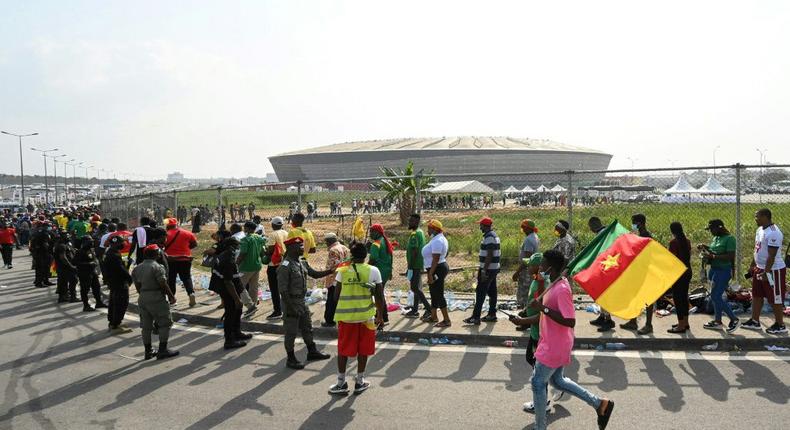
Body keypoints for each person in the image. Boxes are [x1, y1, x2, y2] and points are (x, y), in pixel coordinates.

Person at [528, 250, 614, 430]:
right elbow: (548, 310)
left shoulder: (561, 289)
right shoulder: (555, 282)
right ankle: (600, 404)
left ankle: (540, 427)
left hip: (554, 346)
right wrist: (525, 318)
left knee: (537, 382)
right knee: (558, 381)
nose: (540, 267)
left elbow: (570, 320)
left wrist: (542, 308)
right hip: (552, 342)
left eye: (543, 264)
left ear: (550, 267)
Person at [328, 242, 387, 395]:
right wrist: (380, 316)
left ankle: (341, 383)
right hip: (366, 318)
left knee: (343, 350)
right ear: (366, 255)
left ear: (352, 256)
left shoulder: (343, 271)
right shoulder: (374, 271)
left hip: (346, 318)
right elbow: (380, 296)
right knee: (363, 349)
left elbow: (336, 296)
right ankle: (360, 381)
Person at [277, 236, 332, 369]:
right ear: (290, 248)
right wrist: (291, 307)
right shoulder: (285, 266)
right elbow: (283, 291)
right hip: (291, 302)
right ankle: (290, 359)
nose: (302, 248)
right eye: (299, 246)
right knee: (291, 332)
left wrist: (331, 271)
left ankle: (312, 351)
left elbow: (314, 274)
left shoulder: (302, 262)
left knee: (307, 327)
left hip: (302, 301)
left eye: (302, 245)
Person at [508, 253, 554, 412]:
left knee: (538, 371)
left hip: (540, 334)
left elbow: (542, 314)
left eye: (530, 265)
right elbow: (533, 305)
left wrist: (522, 321)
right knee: (531, 359)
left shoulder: (543, 285)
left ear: (539, 267)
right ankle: (557, 383)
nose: (527, 267)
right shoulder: (536, 281)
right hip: (535, 333)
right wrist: (524, 312)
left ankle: (543, 403)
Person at [742, 209, 787, 334]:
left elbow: (771, 256)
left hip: (773, 271)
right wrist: (752, 265)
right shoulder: (760, 229)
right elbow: (757, 249)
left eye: (758, 217)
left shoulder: (774, 233)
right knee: (757, 295)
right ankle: (755, 321)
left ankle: (780, 324)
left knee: (775, 298)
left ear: (766, 216)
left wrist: (767, 274)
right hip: (760, 268)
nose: (755, 219)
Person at [132, 244, 179, 360]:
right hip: (156, 297)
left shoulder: (137, 268)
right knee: (165, 323)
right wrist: (171, 297)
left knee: (146, 326)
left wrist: (143, 294)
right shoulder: (158, 267)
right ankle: (163, 350)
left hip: (143, 297)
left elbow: (137, 285)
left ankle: (148, 351)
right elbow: (163, 283)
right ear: (156, 255)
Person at [698, 219, 740, 333]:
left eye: (712, 229)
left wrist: (713, 257)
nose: (711, 231)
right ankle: (717, 321)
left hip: (723, 271)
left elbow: (730, 256)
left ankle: (734, 319)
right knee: (716, 296)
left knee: (715, 297)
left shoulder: (729, 239)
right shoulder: (716, 238)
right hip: (714, 270)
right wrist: (705, 248)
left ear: (719, 227)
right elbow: (714, 251)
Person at [213, 233, 253, 349]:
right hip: (227, 289)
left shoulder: (226, 255)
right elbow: (228, 282)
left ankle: (237, 333)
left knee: (237, 311)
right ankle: (229, 340)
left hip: (228, 287)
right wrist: (236, 299)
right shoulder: (228, 259)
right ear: (231, 247)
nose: (238, 249)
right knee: (231, 313)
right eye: (237, 247)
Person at [620, 214, 654, 334]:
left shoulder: (645, 236)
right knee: (633, 295)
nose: (633, 224)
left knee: (648, 298)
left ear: (640, 223)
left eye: (634, 222)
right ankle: (633, 321)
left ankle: (648, 325)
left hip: (644, 271)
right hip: (638, 270)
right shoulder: (640, 235)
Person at [464, 217, 501, 325]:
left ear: (485, 226)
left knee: (480, 292)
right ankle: (492, 314)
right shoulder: (493, 235)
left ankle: (476, 317)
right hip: (493, 268)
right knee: (492, 291)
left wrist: (484, 270)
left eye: (481, 225)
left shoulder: (489, 237)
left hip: (488, 269)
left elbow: (489, 255)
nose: (480, 227)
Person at [586, 217, 616, 332]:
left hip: (606, 268)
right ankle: (603, 316)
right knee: (601, 293)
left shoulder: (602, 234)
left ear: (594, 225)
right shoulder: (603, 232)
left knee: (604, 294)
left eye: (590, 227)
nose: (590, 229)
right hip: (604, 267)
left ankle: (608, 320)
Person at [163, 218, 199, 307]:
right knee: (186, 278)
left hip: (171, 260)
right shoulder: (187, 233)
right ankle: (191, 293)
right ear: (177, 224)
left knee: (171, 279)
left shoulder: (166, 235)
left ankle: (172, 299)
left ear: (167, 226)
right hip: (185, 259)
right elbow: (194, 244)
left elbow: (162, 245)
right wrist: (185, 250)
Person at [422, 219, 451, 327]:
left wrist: (431, 274)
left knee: (438, 293)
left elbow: (436, 258)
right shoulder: (437, 239)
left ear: (434, 229)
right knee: (433, 293)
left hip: (436, 268)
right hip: (436, 268)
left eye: (429, 228)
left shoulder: (438, 241)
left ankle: (446, 320)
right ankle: (434, 316)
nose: (427, 230)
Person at [667, 222, 693, 334]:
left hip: (678, 272)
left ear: (672, 231)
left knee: (677, 299)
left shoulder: (673, 242)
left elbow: (672, 259)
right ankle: (685, 322)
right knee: (684, 297)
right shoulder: (687, 241)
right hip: (687, 271)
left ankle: (680, 326)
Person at [104, 235, 133, 334]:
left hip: (113, 282)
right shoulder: (114, 255)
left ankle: (113, 322)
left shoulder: (110, 253)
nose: (123, 244)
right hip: (119, 282)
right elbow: (121, 270)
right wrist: (129, 278)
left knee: (113, 302)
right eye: (121, 243)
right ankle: (116, 324)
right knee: (121, 303)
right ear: (116, 244)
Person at [404, 213, 431, 319]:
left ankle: (429, 308)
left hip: (415, 264)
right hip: (419, 263)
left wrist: (409, 267)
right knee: (417, 287)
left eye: (411, 221)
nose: (409, 223)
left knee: (415, 287)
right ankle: (415, 310)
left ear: (416, 222)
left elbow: (415, 251)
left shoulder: (415, 234)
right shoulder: (420, 232)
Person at [321, 232, 350, 327]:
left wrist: (323, 273)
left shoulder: (333, 250)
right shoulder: (345, 248)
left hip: (334, 279)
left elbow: (333, 266)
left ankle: (329, 320)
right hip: (344, 277)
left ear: (329, 241)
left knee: (331, 301)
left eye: (326, 242)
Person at [367, 224, 393, 326]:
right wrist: (390, 271)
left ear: (377, 232)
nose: (370, 234)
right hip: (386, 271)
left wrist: (364, 267)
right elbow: (391, 256)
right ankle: (384, 316)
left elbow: (373, 259)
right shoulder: (385, 241)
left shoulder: (376, 244)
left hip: (378, 273)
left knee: (377, 296)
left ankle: (380, 317)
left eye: (372, 231)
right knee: (380, 294)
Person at [238, 221, 266, 314]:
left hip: (246, 267)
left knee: (239, 287)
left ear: (248, 229)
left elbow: (243, 254)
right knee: (253, 287)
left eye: (245, 228)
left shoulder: (245, 240)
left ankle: (250, 306)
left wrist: (236, 263)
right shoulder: (259, 238)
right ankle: (253, 304)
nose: (244, 229)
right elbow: (262, 251)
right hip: (256, 265)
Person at [73, 238, 106, 312]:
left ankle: (99, 302)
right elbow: (75, 262)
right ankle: (86, 305)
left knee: (96, 287)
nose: (92, 244)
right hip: (84, 273)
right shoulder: (80, 252)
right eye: (90, 242)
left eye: (92, 242)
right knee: (85, 289)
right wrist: (88, 264)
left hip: (92, 272)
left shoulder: (90, 250)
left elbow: (93, 258)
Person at [513, 219, 539, 312]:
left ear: (528, 228)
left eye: (523, 228)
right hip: (530, 270)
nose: (522, 230)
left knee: (523, 294)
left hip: (526, 271)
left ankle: (523, 316)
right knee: (528, 293)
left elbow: (526, 260)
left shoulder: (529, 240)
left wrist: (517, 272)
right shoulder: (534, 237)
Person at [265, 216, 288, 320]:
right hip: (283, 263)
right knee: (283, 287)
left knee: (274, 289)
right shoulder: (286, 233)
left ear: (273, 225)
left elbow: (270, 250)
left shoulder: (273, 234)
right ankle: (285, 309)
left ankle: (277, 311)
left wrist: (263, 251)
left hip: (274, 264)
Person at [53, 234, 79, 303]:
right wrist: (71, 266)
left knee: (63, 282)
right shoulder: (62, 246)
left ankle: (63, 296)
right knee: (73, 280)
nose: (69, 237)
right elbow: (63, 258)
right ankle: (72, 297)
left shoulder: (65, 245)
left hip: (63, 267)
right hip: (65, 267)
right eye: (67, 237)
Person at [30, 222, 54, 288]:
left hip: (39, 252)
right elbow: (46, 244)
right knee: (41, 268)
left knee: (45, 268)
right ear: (45, 227)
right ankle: (39, 282)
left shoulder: (37, 232)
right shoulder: (44, 233)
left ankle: (45, 281)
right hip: (42, 253)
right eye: (49, 226)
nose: (50, 228)